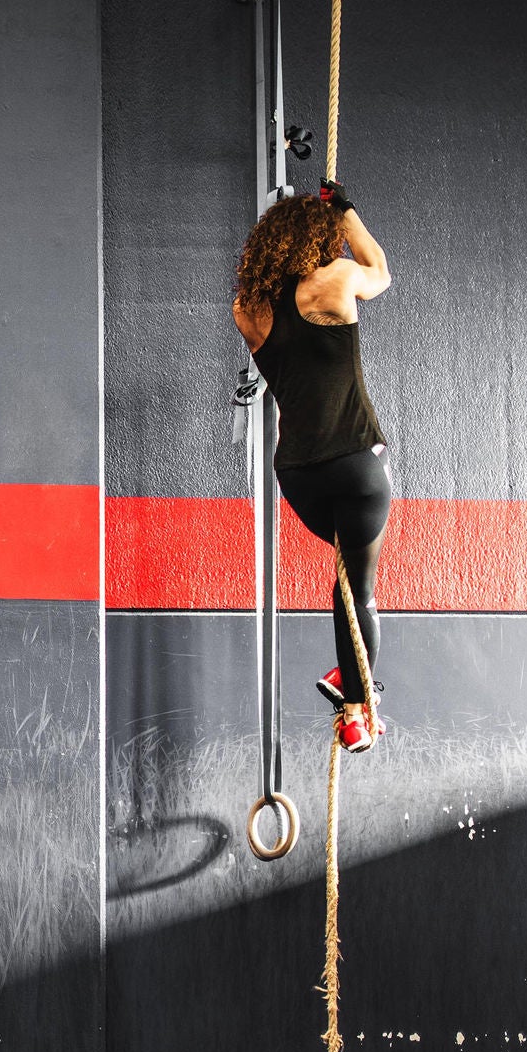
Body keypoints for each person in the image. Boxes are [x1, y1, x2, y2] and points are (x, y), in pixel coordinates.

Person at [232, 178, 394, 752]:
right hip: (355, 464)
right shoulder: (336, 281)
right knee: (358, 591)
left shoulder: (247, 311)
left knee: (346, 581)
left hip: (298, 475)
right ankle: (356, 705)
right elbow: (379, 271)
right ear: (318, 240)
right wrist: (346, 212)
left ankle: (349, 680)